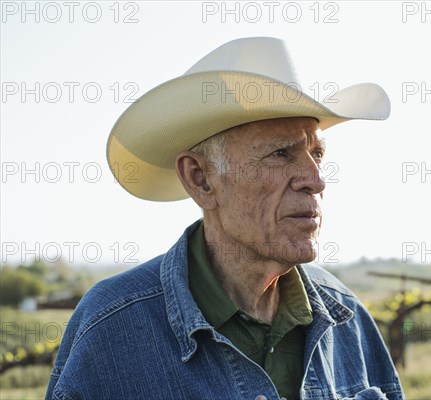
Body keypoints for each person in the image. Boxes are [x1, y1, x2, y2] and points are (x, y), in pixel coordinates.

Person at [46, 37, 404, 400]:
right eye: (280, 153)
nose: (315, 180)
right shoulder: (111, 330)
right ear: (201, 179)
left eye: (316, 154)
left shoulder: (346, 315)